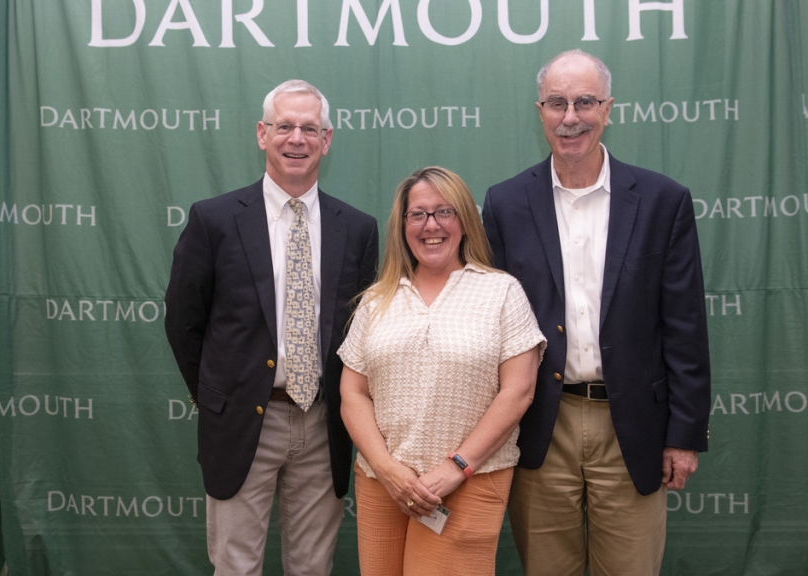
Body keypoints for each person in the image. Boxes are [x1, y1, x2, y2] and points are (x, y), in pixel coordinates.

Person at [482, 50, 712, 576]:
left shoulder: (662, 201)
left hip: (634, 425)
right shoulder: (506, 203)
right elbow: (489, 323)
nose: (571, 117)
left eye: (585, 102)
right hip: (541, 421)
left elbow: (685, 324)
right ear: (539, 111)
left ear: (608, 109)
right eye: (557, 103)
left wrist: (683, 434)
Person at [164, 79, 379, 576]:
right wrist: (218, 392)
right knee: (236, 565)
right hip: (240, 421)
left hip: (325, 421)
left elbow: (361, 330)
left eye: (310, 128)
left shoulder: (358, 228)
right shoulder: (214, 220)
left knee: (312, 566)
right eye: (285, 126)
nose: (296, 138)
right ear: (263, 134)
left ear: (327, 139)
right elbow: (183, 320)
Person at [338, 166, 545, 576]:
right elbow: (353, 393)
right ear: (403, 225)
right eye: (418, 214)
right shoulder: (375, 300)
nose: (431, 225)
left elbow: (518, 392)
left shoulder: (501, 292)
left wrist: (456, 468)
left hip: (469, 481)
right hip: (384, 484)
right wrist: (387, 469)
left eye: (444, 212)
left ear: (465, 220)